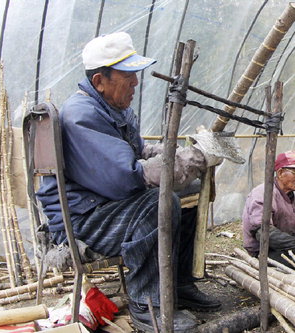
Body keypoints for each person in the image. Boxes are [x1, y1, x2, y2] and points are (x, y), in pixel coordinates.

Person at [36, 32, 221, 332]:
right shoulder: (81, 116)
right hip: (83, 220)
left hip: (104, 206)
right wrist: (194, 160)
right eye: (128, 76)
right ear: (99, 81)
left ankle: (179, 283)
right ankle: (147, 306)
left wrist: (185, 153)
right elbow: (128, 177)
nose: (136, 83)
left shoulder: (111, 107)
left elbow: (139, 151)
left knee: (189, 188)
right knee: (158, 203)